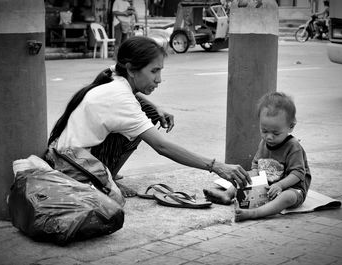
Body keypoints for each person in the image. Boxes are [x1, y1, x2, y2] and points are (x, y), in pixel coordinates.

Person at [47, 36, 251, 198]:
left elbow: (131, 97)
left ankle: (109, 173)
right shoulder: (121, 97)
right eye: (154, 71)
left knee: (148, 113)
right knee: (115, 202)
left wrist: (156, 108)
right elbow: (162, 147)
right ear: (131, 69)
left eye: (160, 71)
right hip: (74, 166)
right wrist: (216, 166)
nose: (159, 79)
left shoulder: (114, 75)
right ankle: (107, 178)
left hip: (68, 153)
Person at [203, 92, 311, 221]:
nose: (269, 137)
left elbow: (298, 173)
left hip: (291, 188)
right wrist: (251, 176)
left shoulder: (293, 146)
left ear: (291, 127)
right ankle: (227, 195)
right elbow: (256, 164)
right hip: (268, 186)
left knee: (287, 197)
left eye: (276, 133)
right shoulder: (264, 143)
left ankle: (255, 213)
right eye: (264, 131)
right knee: (244, 176)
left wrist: (280, 186)